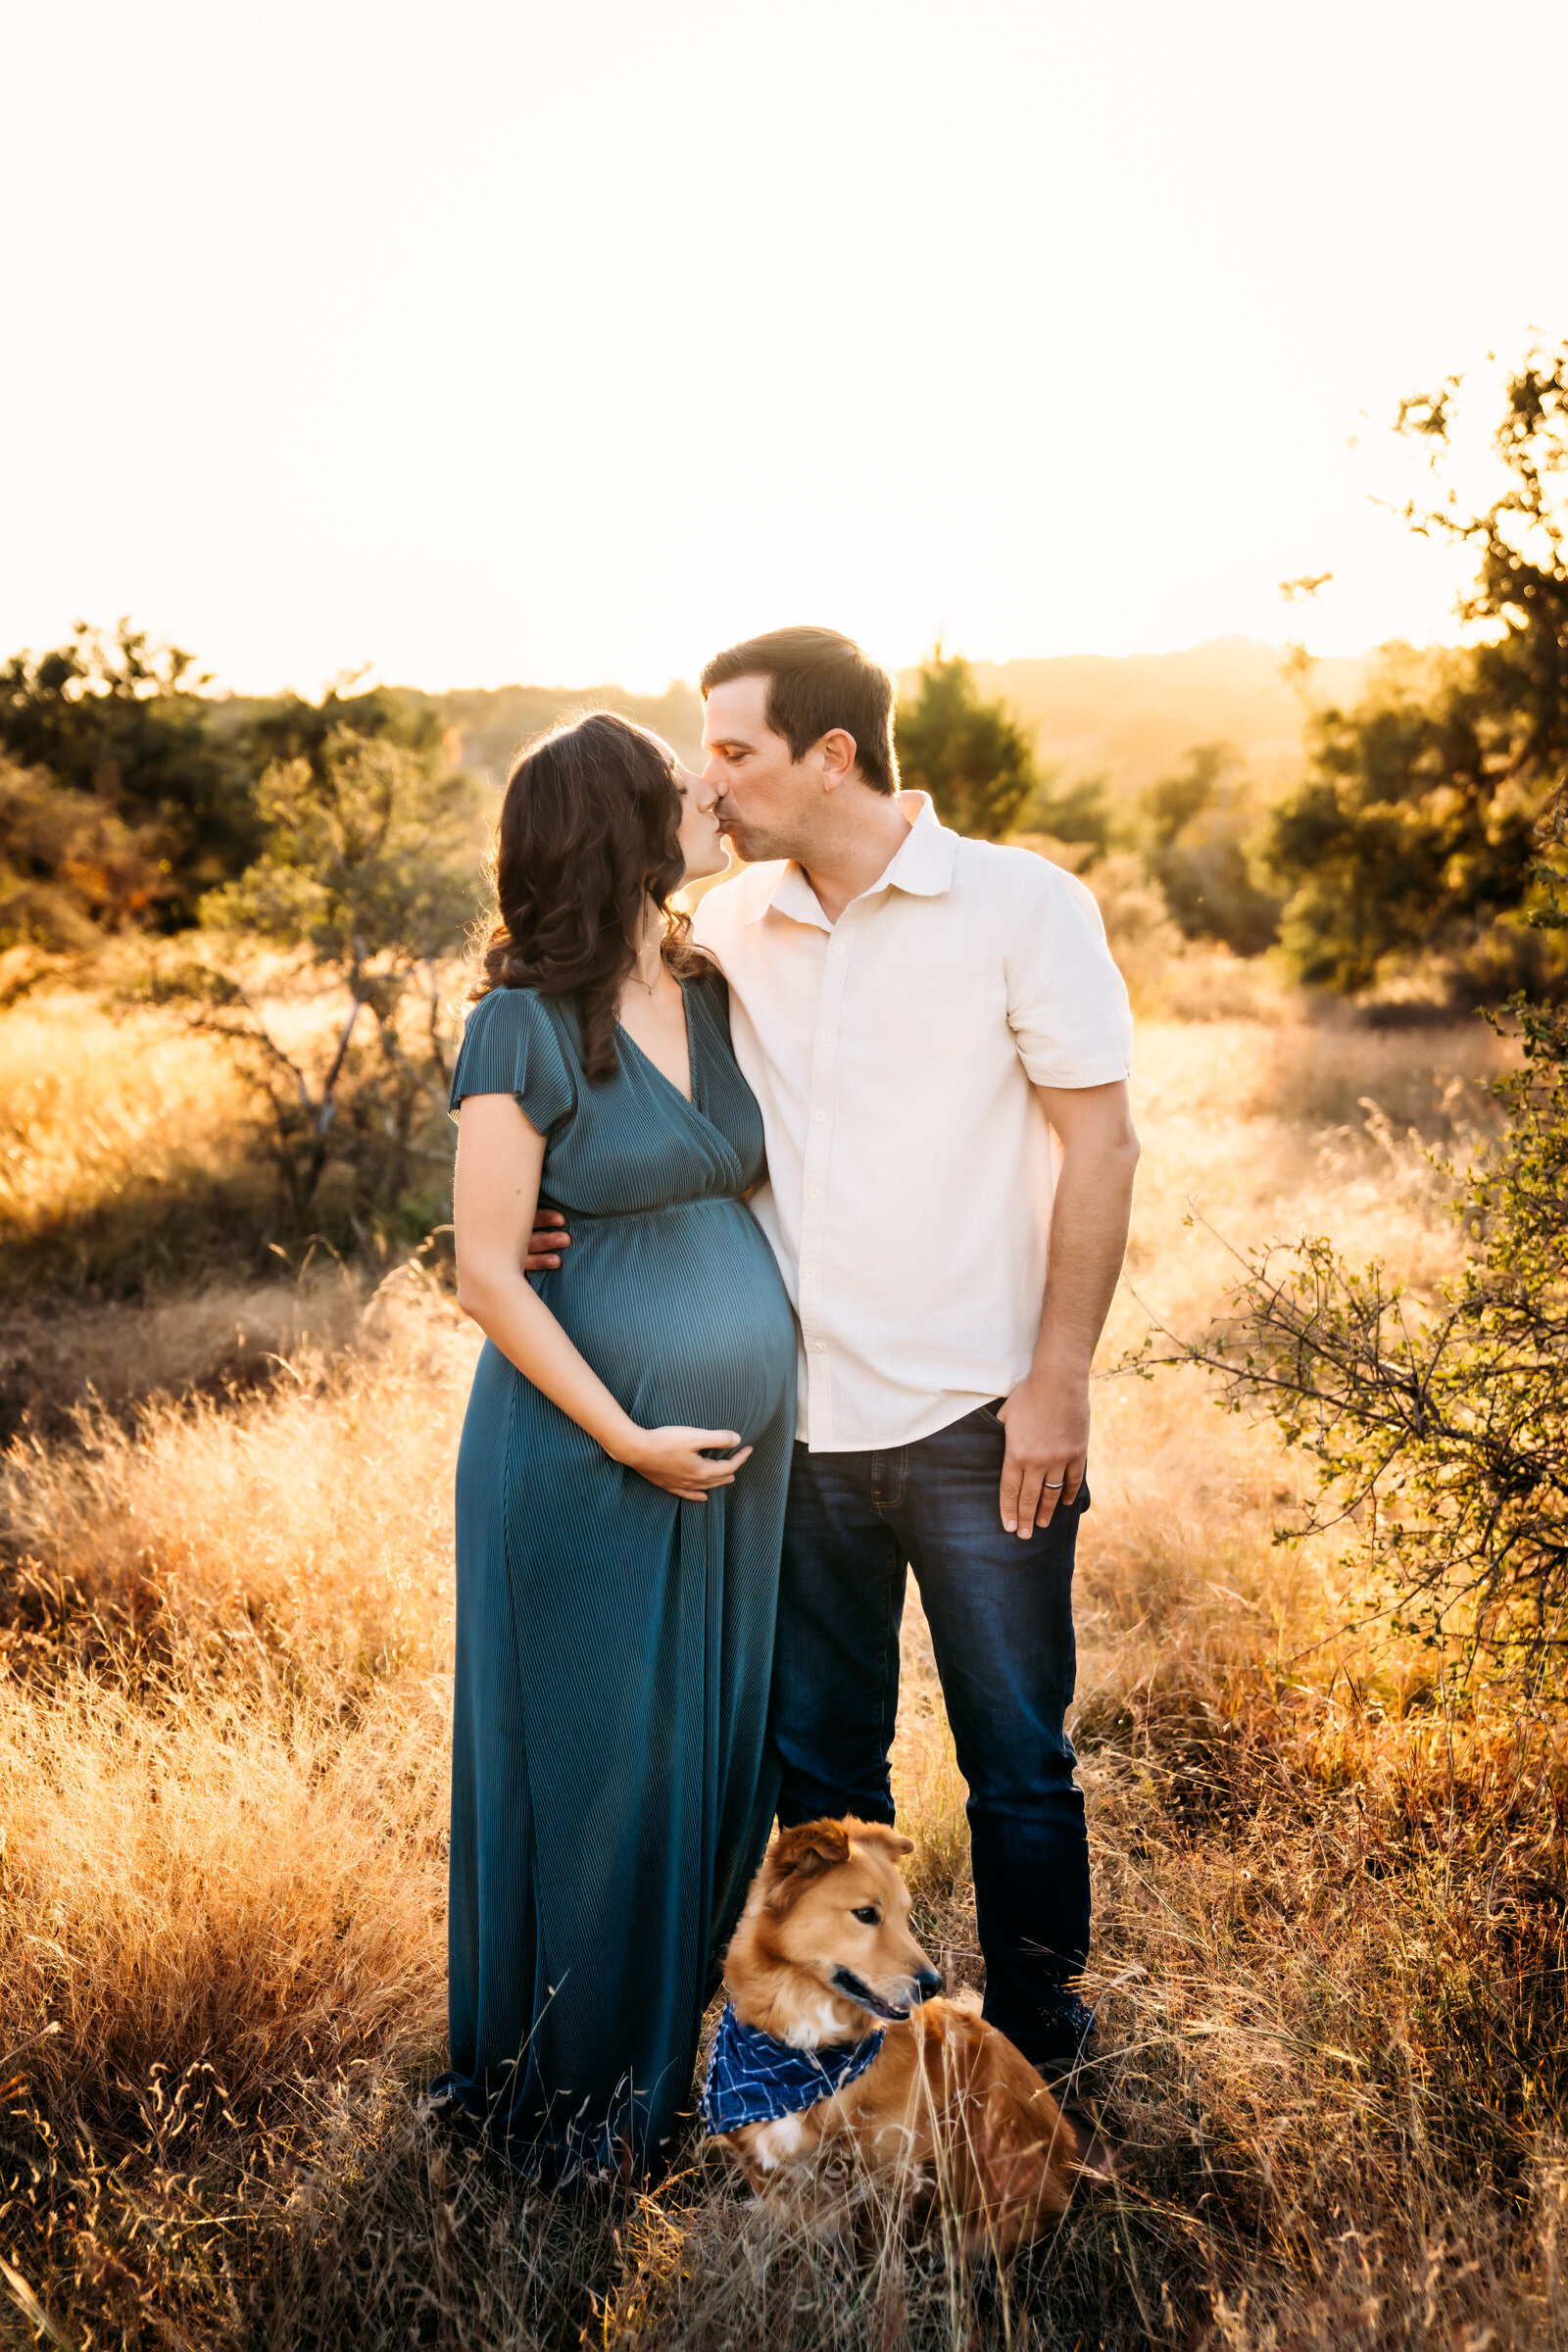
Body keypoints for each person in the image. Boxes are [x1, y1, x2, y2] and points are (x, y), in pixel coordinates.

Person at [531, 628, 1138, 2083]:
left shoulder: (1020, 905)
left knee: (1019, 1766)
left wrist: (1058, 1381)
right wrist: (546, 1217)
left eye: (733, 752)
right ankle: (839, 2056)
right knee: (823, 1773)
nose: (711, 784)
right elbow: (611, 1077)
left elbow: (1101, 1141)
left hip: (984, 1419)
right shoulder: (722, 929)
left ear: (833, 757)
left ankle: (1045, 2051)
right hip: (791, 1432)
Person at [435, 710, 797, 2181]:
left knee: (707, 1777)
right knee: (593, 1776)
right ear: (622, 829)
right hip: (588, 1464)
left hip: (732, 1480)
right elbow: (482, 1268)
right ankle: (564, 2116)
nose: (709, 795)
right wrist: (628, 1437)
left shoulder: (712, 985)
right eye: (680, 784)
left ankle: (655, 2079)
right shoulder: (520, 1021)